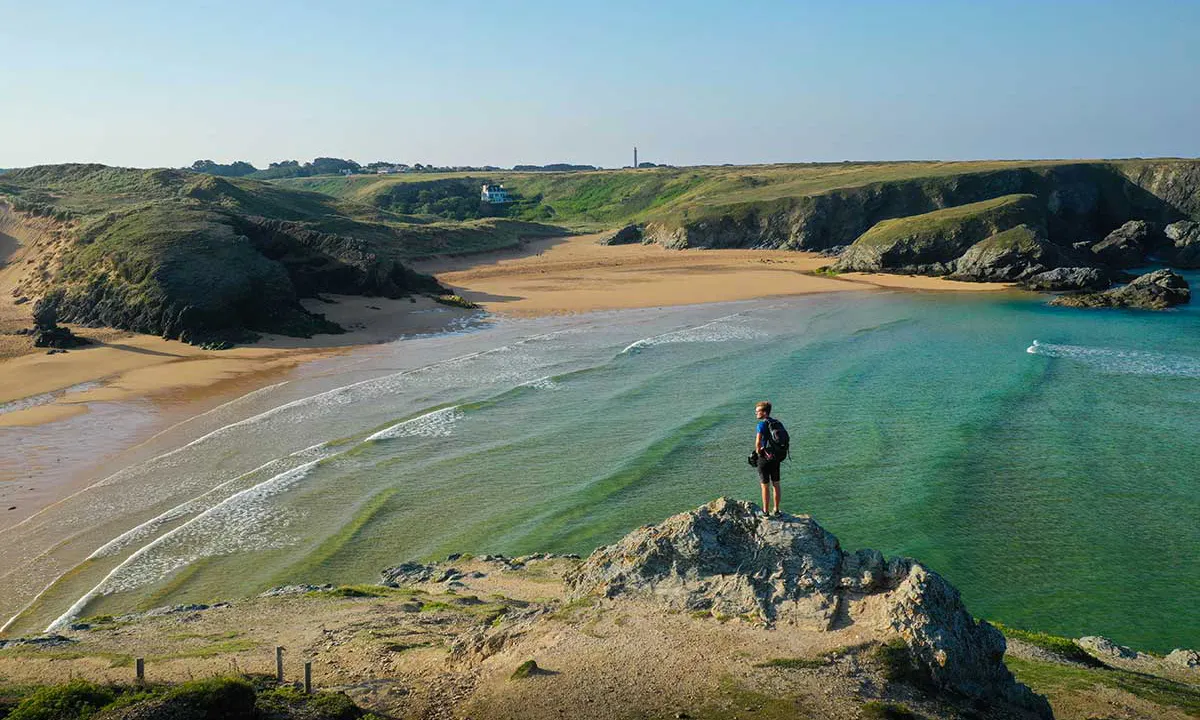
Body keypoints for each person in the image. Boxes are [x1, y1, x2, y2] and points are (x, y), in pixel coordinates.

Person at [754, 401, 782, 515]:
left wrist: (757, 453)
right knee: (776, 484)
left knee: (765, 486)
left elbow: (758, 443)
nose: (756, 413)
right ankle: (776, 510)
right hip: (775, 458)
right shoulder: (777, 422)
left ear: (764, 413)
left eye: (758, 411)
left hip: (764, 459)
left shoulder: (761, 425)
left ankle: (765, 512)